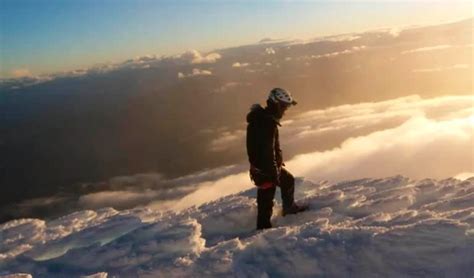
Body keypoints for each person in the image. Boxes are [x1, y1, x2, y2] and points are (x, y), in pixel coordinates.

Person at [246, 88, 307, 230]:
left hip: (264, 167)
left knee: (286, 182)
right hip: (265, 169)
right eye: (284, 106)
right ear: (276, 104)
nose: (285, 110)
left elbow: (269, 148)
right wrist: (273, 172)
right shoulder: (266, 123)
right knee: (267, 198)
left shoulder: (264, 119)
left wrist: (276, 163)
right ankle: (263, 229)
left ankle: (287, 210)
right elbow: (266, 150)